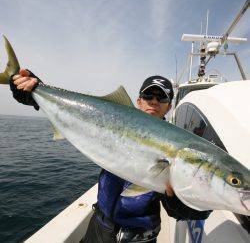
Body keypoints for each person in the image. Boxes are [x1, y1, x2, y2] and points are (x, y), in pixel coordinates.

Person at [10, 70, 211, 243]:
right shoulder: (114, 121)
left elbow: (181, 211)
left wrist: (189, 202)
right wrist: (36, 91)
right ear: (139, 101)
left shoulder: (175, 144)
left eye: (162, 98)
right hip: (99, 226)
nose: (154, 102)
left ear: (169, 107)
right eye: (149, 96)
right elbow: (80, 117)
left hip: (139, 236)